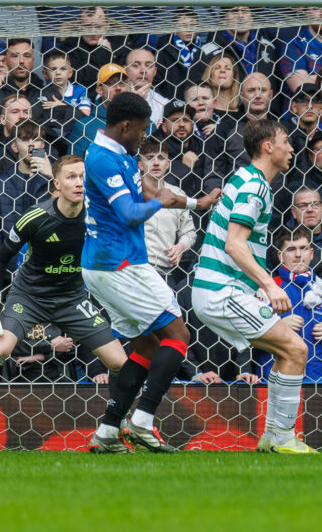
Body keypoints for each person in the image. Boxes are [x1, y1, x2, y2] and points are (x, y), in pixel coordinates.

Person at [0, 157, 135, 453]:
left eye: (82, 177)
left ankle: (110, 432)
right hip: (30, 297)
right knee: (0, 350)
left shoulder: (98, 217)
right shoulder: (35, 217)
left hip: (73, 299)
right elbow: (1, 259)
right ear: (56, 184)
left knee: (120, 363)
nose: (78, 182)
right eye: (71, 177)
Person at [80, 92, 220, 452]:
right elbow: (130, 212)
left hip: (110, 264)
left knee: (145, 344)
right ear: (125, 126)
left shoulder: (122, 153)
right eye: (142, 131)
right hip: (118, 264)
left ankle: (108, 432)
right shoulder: (101, 160)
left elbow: (150, 191)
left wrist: (195, 202)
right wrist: (158, 202)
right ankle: (143, 421)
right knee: (177, 334)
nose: (144, 138)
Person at [191, 119, 316, 454]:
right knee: (297, 349)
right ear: (267, 147)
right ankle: (282, 437)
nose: (292, 148)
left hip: (225, 289)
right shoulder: (254, 185)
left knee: (286, 351)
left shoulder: (250, 180)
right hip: (221, 291)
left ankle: (274, 438)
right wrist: (270, 285)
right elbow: (234, 244)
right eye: (286, 141)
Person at [269, 227, 322, 383]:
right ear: (280, 256)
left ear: (312, 253)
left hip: (320, 382)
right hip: (275, 379)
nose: (298, 255)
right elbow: (246, 333)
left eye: (303, 248)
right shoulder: (268, 290)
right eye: (291, 249)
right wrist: (276, 326)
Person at [138, 139, 196, 288]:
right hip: (134, 269)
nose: (156, 163)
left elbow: (190, 232)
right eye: (150, 158)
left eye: (161, 158)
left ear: (168, 164)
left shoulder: (177, 194)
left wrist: (180, 246)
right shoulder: (132, 192)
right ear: (140, 165)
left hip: (164, 272)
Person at [0, 119, 51, 236]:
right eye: (25, 140)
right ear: (14, 146)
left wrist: (51, 176)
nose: (31, 144)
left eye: (36, 139)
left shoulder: (54, 180)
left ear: (42, 145)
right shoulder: (0, 184)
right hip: (12, 251)